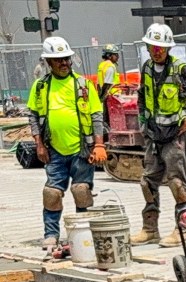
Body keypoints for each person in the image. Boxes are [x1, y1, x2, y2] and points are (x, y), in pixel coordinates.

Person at [132, 23, 186, 247]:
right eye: (153, 46)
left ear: (168, 48)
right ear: (147, 47)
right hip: (153, 136)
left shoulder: (180, 70)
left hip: (174, 136)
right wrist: (142, 123)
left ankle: (182, 230)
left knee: (177, 184)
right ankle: (150, 229)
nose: (157, 50)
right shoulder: (147, 68)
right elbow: (142, 97)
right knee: (148, 182)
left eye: (161, 47)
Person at [27, 37, 106, 252]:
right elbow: (33, 115)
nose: (63, 63)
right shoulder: (41, 86)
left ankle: (83, 233)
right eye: (58, 60)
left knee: (81, 190)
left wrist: (99, 145)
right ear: (48, 63)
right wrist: (39, 144)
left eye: (66, 59)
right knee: (52, 193)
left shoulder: (83, 85)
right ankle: (51, 234)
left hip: (82, 150)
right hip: (54, 151)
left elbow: (97, 115)